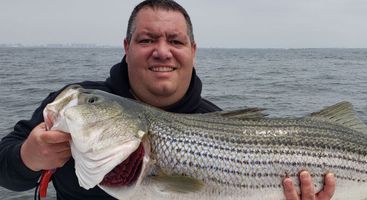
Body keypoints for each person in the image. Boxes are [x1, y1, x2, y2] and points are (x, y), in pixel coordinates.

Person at [0, 0, 335, 199]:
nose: (162, 51)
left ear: (192, 50)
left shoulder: (215, 120)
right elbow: (6, 173)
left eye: (175, 40)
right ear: (126, 48)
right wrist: (28, 156)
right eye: (147, 39)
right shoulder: (82, 103)